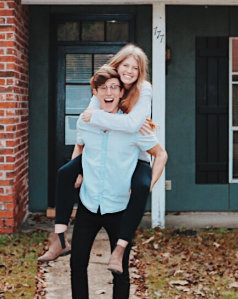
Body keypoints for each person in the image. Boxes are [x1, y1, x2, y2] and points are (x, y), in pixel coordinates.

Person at [61, 66, 168, 299]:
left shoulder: (134, 128)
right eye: (102, 88)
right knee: (76, 265)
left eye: (114, 88)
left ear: (121, 93)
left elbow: (160, 155)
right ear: (95, 93)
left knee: (120, 271)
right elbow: (79, 148)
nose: (108, 92)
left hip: (119, 206)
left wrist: (147, 186)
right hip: (88, 204)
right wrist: (78, 172)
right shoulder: (86, 122)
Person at [38, 44, 157, 273]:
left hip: (136, 155)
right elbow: (87, 123)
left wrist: (98, 118)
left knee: (141, 187)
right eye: (126, 65)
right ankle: (59, 237)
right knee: (65, 173)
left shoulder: (144, 89)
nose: (130, 71)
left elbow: (131, 125)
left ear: (140, 71)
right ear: (118, 65)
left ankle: (121, 247)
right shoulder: (107, 86)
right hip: (103, 150)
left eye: (135, 67)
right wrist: (78, 167)